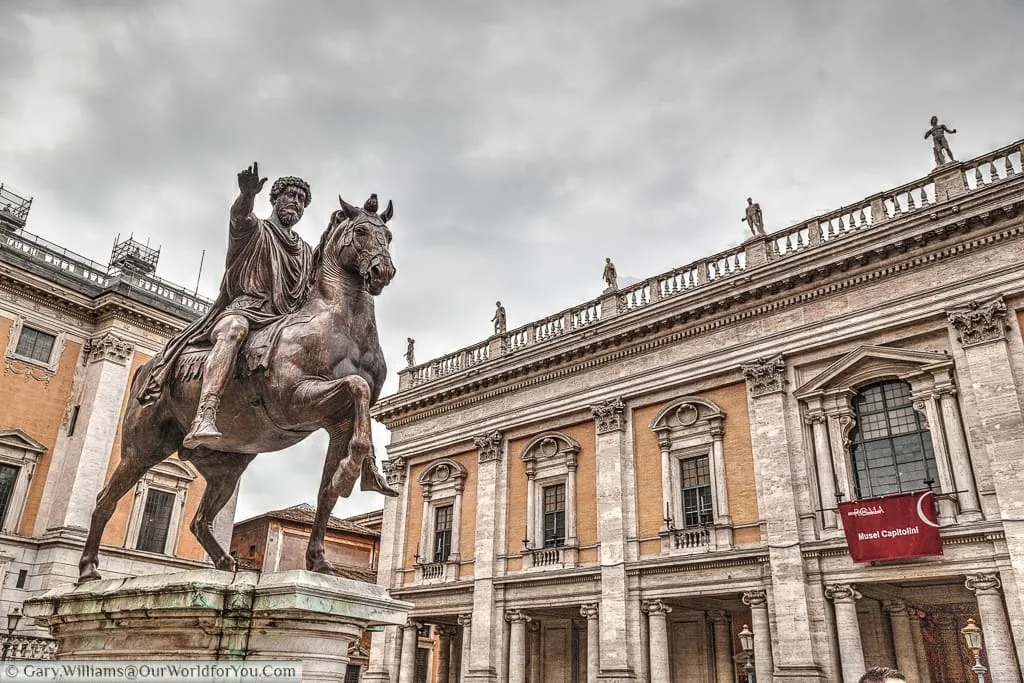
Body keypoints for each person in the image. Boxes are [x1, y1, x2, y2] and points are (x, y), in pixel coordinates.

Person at [141, 162, 314, 449]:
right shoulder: (254, 230)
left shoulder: (305, 251)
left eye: (302, 200)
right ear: (275, 199)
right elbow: (239, 216)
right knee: (233, 329)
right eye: (290, 195)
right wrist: (247, 195)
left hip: (280, 321)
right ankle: (205, 414)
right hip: (244, 309)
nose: (296, 202)